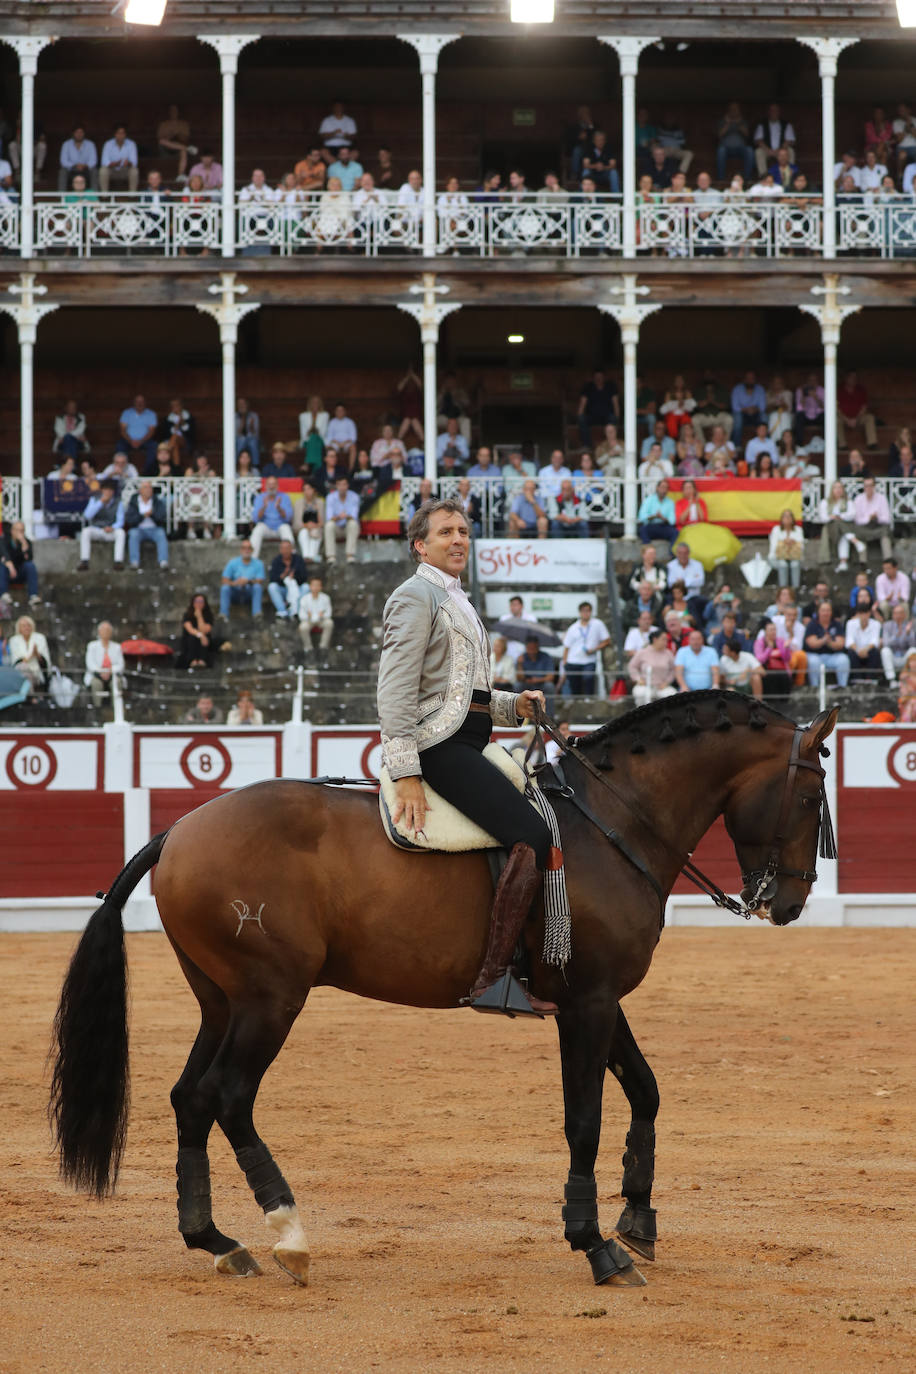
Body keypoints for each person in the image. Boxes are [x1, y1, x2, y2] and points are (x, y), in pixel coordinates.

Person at [377, 498, 556, 1016]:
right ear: (421, 545)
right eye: (445, 532)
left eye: (464, 531)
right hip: (437, 748)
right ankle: (494, 978)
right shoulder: (415, 596)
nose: (458, 539)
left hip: (468, 740)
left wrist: (514, 705)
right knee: (533, 834)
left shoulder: (458, 601)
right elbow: (395, 691)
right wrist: (407, 772)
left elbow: (465, 695)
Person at [561, 601, 610, 697]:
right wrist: (565, 663)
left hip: (589, 660)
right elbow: (567, 647)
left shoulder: (597, 624)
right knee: (575, 687)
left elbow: (607, 640)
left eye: (588, 611)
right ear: (580, 612)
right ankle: (577, 703)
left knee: (588, 679)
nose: (585, 613)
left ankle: (589, 701)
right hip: (573, 661)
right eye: (583, 611)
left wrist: (595, 649)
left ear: (591, 612)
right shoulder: (574, 627)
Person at [78, 479, 126, 570]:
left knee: (121, 533)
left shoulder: (118, 502)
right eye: (106, 490)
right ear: (102, 490)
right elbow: (87, 515)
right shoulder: (94, 499)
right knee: (85, 531)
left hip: (110, 531)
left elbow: (120, 521)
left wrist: (112, 527)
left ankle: (118, 562)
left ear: (113, 492)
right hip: (97, 529)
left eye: (110, 490)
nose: (108, 492)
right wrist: (100, 502)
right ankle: (84, 561)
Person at [817, 479, 863, 570]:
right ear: (832, 490)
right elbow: (823, 518)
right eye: (835, 488)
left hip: (844, 528)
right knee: (839, 525)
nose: (838, 490)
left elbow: (852, 514)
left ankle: (843, 562)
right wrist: (832, 517)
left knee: (843, 532)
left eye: (840, 487)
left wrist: (840, 516)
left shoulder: (848, 502)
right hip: (831, 529)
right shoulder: (825, 502)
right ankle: (854, 540)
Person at [124, 480, 169, 570]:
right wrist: (142, 516)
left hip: (154, 529)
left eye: (150, 488)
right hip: (138, 529)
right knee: (133, 534)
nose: (148, 490)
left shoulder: (157, 501)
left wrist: (152, 514)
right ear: (140, 490)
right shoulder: (133, 502)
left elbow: (162, 517)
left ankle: (163, 561)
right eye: (146, 487)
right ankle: (134, 562)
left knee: (161, 534)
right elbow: (130, 519)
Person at [804, 601, 850, 688]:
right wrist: (824, 640)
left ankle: (842, 687)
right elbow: (812, 643)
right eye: (823, 610)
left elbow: (840, 644)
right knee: (813, 662)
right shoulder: (812, 624)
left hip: (832, 656)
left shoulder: (837, 625)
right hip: (815, 655)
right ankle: (815, 688)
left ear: (831, 612)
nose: (826, 613)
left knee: (844, 660)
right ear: (818, 612)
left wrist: (828, 642)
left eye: (828, 610)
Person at [628, 627, 677, 706]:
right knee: (641, 694)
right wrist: (638, 678)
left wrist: (667, 682)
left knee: (672, 695)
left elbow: (673, 669)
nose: (666, 642)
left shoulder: (668, 653)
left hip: (662, 686)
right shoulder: (642, 652)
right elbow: (632, 666)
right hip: (645, 685)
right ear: (655, 640)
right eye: (663, 639)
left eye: (666, 640)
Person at [83, 620, 125, 709]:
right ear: (99, 632)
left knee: (117, 683)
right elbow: (90, 663)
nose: (106, 632)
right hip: (96, 675)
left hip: (112, 675)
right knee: (96, 684)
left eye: (108, 630)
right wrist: (101, 671)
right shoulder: (92, 646)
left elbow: (120, 665)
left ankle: (117, 709)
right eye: (104, 630)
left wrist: (110, 670)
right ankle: (98, 709)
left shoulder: (117, 647)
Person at [250, 476, 295, 558]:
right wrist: (264, 506)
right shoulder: (260, 497)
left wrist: (279, 508)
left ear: (277, 486)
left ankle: (293, 557)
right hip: (266, 527)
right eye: (269, 484)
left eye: (273, 484)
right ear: (266, 486)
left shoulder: (284, 497)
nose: (271, 486)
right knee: (257, 529)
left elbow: (288, 518)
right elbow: (256, 519)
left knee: (286, 529)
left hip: (280, 526)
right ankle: (252, 559)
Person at [220, 539, 265, 618]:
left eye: (249, 548)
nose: (246, 550)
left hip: (249, 591)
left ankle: (257, 614)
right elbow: (224, 580)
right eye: (244, 548)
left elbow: (260, 580)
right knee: (225, 588)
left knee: (257, 587)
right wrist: (235, 583)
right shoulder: (233, 562)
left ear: (252, 550)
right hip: (235, 591)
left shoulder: (259, 564)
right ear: (241, 550)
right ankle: (223, 615)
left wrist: (248, 581)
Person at [845, 593, 883, 685]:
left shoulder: (876, 624)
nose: (863, 616)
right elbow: (849, 641)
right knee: (851, 652)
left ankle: (871, 678)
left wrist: (865, 650)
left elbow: (875, 641)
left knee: (875, 652)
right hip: (856, 651)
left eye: (865, 613)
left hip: (869, 651)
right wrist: (858, 650)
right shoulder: (850, 623)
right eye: (861, 613)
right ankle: (856, 678)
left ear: (869, 613)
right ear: (857, 614)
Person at [852, 476, 893, 560]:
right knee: (859, 533)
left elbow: (887, 519)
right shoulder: (858, 499)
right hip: (864, 528)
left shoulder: (882, 498)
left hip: (878, 526)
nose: (868, 488)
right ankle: (863, 566)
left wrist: (877, 517)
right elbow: (857, 520)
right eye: (866, 486)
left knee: (885, 533)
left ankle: (888, 561)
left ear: (874, 486)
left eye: (870, 485)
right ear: (863, 487)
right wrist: (868, 518)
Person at [176, 594, 220, 670]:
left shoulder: (208, 615)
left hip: (205, 642)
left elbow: (204, 630)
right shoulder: (187, 615)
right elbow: (190, 629)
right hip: (190, 641)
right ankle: (192, 660)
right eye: (196, 601)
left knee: (205, 639)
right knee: (193, 637)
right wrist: (201, 635)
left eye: (201, 601)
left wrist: (199, 616)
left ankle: (202, 660)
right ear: (193, 603)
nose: (199, 603)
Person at [0, 521, 40, 605]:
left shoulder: (27, 542)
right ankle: (4, 594)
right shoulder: (4, 540)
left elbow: (29, 558)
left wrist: (24, 546)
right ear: (12, 531)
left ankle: (33, 595)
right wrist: (10, 566)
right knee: (2, 566)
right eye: (17, 530)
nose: (19, 533)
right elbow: (4, 554)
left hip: (20, 573)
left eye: (21, 531)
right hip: (7, 573)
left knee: (30, 565)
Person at [837, 371, 878, 451]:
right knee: (835, 420)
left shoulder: (861, 389)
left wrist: (856, 419)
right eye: (851, 377)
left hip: (858, 418)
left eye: (855, 378)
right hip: (843, 418)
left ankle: (872, 443)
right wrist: (847, 419)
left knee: (870, 417)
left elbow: (864, 407)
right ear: (846, 378)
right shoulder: (839, 390)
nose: (854, 380)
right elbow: (836, 408)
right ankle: (842, 445)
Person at [268, 539, 308, 619]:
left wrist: (294, 577)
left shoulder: (298, 559)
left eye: (287, 548)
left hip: (296, 589)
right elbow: (272, 578)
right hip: (283, 589)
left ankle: (295, 611)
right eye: (283, 548)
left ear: (292, 549)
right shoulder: (276, 561)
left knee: (306, 587)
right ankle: (282, 611)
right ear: (280, 550)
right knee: (272, 587)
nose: (285, 551)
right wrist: (282, 576)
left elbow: (304, 577)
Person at [9, 615, 50, 692]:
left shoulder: (40, 638)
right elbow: (17, 661)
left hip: (38, 672)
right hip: (21, 672)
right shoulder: (14, 640)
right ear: (19, 628)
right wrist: (31, 655)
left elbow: (45, 661)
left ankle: (31, 695)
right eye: (23, 626)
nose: (26, 628)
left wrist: (37, 654)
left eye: (28, 625)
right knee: (23, 667)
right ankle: (31, 695)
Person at [324, 475, 360, 563]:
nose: (342, 487)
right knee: (329, 525)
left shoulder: (354, 496)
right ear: (336, 486)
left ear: (348, 485)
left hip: (348, 527)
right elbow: (329, 517)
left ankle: (350, 555)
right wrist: (340, 517)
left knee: (353, 523)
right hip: (336, 527)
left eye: (344, 484)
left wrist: (345, 516)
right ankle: (331, 556)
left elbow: (354, 516)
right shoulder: (330, 497)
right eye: (339, 485)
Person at [117, 394, 157, 470]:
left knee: (154, 446)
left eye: (141, 401)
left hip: (145, 440)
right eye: (137, 401)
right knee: (120, 446)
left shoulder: (151, 414)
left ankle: (147, 471)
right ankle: (122, 470)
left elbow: (151, 431)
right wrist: (131, 441)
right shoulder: (127, 413)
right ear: (134, 402)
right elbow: (122, 430)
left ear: (145, 402)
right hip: (128, 440)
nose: (139, 403)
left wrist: (141, 441)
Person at [297, 575, 334, 657]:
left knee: (329, 623)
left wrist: (319, 616)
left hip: (322, 620)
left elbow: (328, 613)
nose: (316, 587)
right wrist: (311, 616)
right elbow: (302, 615)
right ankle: (308, 648)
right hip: (308, 620)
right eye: (314, 585)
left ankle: (323, 647)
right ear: (310, 587)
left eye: (318, 585)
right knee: (303, 627)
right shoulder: (304, 599)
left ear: (321, 587)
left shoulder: (325, 598)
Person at [754, 621, 793, 697]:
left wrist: (786, 648)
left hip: (781, 671)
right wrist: (769, 648)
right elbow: (760, 659)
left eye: (774, 629)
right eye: (771, 630)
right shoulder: (759, 642)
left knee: (784, 678)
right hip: (767, 671)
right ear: (765, 631)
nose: (773, 632)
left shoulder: (780, 641)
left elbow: (787, 659)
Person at [516, 634, 556, 706]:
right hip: (527, 684)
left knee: (549, 686)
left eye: (533, 647)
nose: (531, 650)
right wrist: (519, 664)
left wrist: (537, 680)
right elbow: (519, 678)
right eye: (529, 647)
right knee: (517, 685)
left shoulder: (546, 657)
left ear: (538, 647)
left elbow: (551, 677)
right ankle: (519, 713)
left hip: (542, 684)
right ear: (526, 647)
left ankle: (549, 715)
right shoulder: (521, 657)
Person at [674, 627, 720, 691]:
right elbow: (678, 672)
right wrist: (683, 686)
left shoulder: (711, 651)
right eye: (693, 639)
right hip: (687, 690)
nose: (696, 642)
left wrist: (715, 685)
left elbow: (715, 671)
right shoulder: (682, 651)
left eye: (698, 639)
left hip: (708, 690)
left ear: (702, 640)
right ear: (688, 640)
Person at [768, 509, 804, 588]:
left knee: (795, 564)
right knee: (783, 564)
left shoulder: (798, 530)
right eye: (785, 516)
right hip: (777, 557)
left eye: (789, 516)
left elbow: (801, 547)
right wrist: (784, 542)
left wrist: (793, 542)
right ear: (781, 519)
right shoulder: (776, 529)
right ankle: (783, 589)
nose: (787, 518)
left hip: (794, 557)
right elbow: (774, 547)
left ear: (793, 519)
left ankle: (795, 589)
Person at [881, 605, 916, 687]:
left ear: (904, 615)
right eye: (896, 613)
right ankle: (892, 679)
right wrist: (896, 636)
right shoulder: (887, 625)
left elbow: (913, 645)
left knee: (913, 651)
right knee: (885, 651)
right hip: (893, 657)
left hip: (904, 657)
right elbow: (885, 643)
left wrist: (908, 634)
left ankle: (907, 680)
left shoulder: (911, 625)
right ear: (892, 615)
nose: (898, 615)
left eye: (900, 613)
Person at [637, 478, 678, 545]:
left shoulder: (670, 502)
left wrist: (662, 518)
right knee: (642, 530)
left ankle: (672, 554)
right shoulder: (649, 500)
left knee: (675, 532)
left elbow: (672, 521)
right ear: (657, 488)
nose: (664, 490)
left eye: (666, 488)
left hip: (664, 527)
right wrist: (654, 516)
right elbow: (642, 517)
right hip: (651, 526)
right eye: (662, 487)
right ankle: (648, 550)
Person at [99, 124, 138, 192]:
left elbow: (134, 162)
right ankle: (104, 195)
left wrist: (128, 163)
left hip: (125, 170)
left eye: (122, 133)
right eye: (118, 133)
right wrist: (114, 164)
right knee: (103, 170)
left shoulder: (131, 144)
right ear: (115, 134)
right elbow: (104, 162)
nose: (120, 135)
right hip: (112, 170)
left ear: (125, 134)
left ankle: (132, 195)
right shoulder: (108, 144)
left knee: (134, 171)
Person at [236, 398, 260, 466]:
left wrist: (251, 426)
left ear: (247, 405)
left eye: (243, 404)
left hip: (251, 439)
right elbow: (235, 434)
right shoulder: (234, 416)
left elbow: (256, 435)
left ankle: (255, 465)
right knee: (241, 440)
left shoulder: (254, 416)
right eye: (240, 404)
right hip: (238, 440)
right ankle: (237, 464)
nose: (242, 406)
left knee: (253, 442)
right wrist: (243, 422)